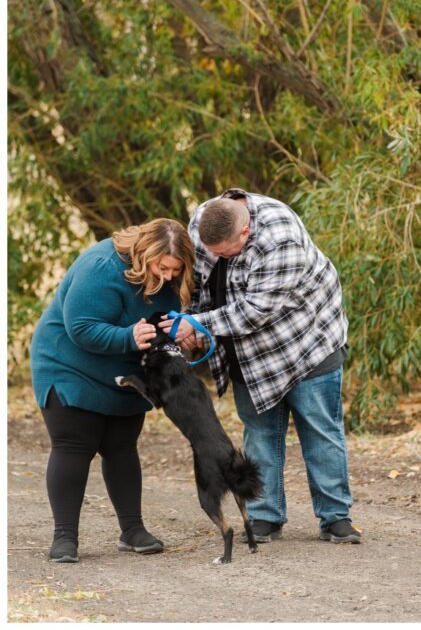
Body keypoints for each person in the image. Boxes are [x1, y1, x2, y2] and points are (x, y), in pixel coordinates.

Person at [162, 188, 360, 546]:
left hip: (306, 339)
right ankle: (265, 516)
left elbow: (256, 311)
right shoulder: (204, 223)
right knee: (260, 432)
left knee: (320, 429)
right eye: (211, 251)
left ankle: (335, 518)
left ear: (245, 232)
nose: (216, 258)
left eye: (225, 253)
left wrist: (202, 324)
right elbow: (198, 286)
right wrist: (190, 324)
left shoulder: (280, 235)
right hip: (247, 351)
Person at [31, 218, 195, 563]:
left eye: (175, 269)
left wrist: (184, 333)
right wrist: (127, 338)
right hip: (68, 363)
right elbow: (81, 327)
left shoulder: (172, 277)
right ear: (145, 253)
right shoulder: (102, 265)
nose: (168, 276)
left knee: (121, 446)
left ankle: (132, 530)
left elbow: (170, 321)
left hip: (125, 370)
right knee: (75, 444)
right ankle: (65, 537)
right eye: (162, 267)